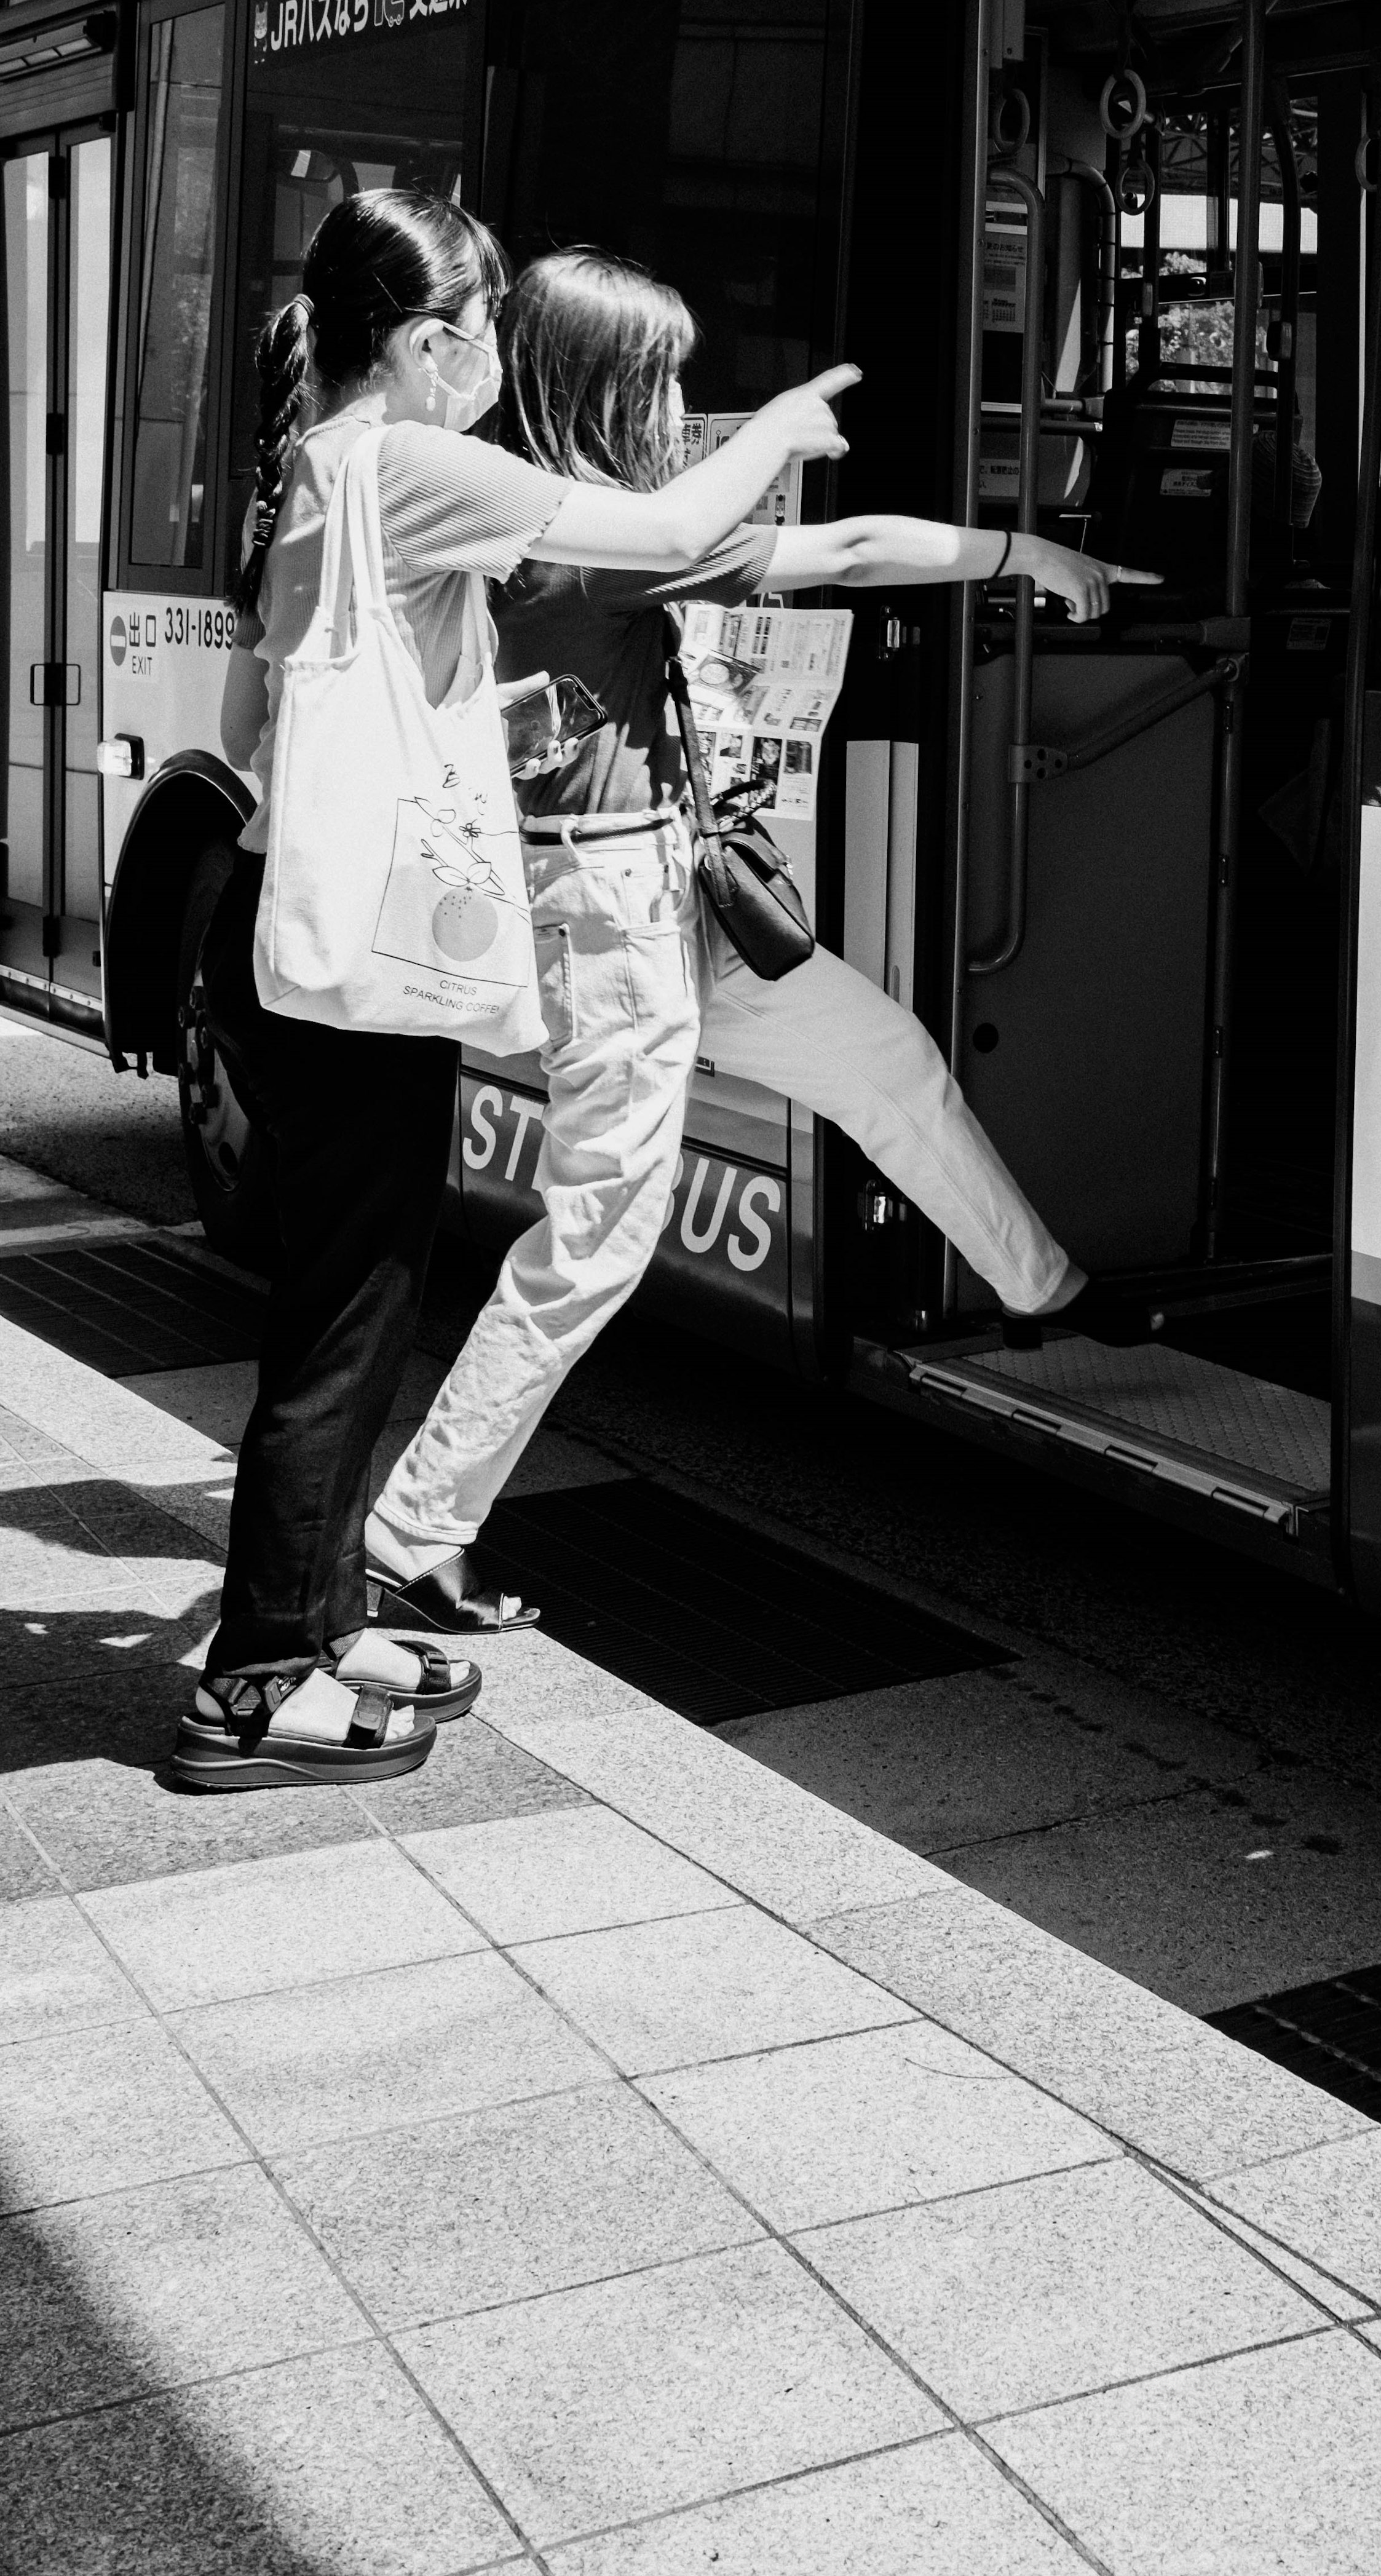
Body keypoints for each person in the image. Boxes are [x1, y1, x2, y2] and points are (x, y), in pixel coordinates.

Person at [363, 246, 1156, 1639]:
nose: (678, 404)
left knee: (881, 1054)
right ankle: (413, 1529)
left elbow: (813, 552)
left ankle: (1045, 1289)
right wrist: (1020, 549)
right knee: (597, 1235)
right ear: (603, 382)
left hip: (663, 900)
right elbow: (842, 548)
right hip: (611, 911)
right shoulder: (594, 538)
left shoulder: (561, 522)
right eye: (659, 378)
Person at [176, 194, 856, 1789]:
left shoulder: (328, 466)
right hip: (346, 966)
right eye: (478, 325)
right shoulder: (402, 462)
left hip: (333, 948)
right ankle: (263, 1673)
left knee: (361, 1306)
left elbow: (313, 713)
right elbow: (678, 537)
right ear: (425, 343)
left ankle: (324, 1623)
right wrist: (793, 427)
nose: (493, 353)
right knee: (341, 1327)